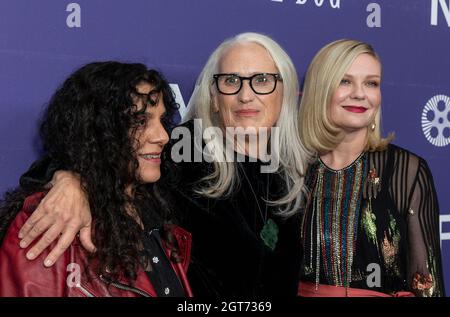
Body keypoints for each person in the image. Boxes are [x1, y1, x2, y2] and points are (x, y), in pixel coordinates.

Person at [13, 33, 311, 297]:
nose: (246, 95)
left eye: (262, 80)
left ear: (284, 93)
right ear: (214, 97)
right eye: (231, 81)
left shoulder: (294, 171)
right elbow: (99, 150)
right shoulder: (184, 147)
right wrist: (71, 179)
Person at [0, 62, 193, 297]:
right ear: (99, 131)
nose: (163, 136)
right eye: (140, 122)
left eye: (162, 121)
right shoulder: (52, 221)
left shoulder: (157, 209)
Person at [297, 39, 445, 297]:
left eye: (371, 83)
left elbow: (427, 282)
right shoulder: (291, 170)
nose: (359, 93)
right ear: (320, 90)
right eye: (345, 81)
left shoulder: (408, 172)